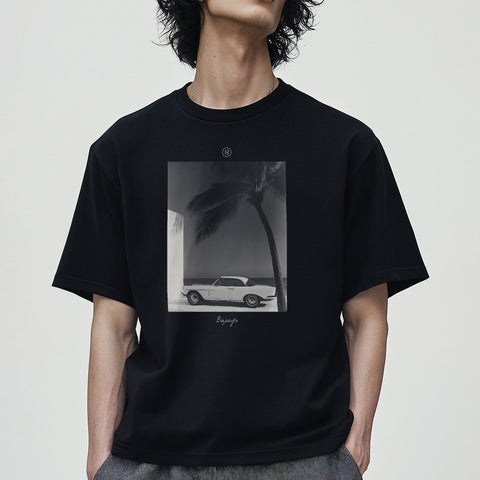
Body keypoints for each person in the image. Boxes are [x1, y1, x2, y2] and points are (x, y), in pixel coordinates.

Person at [51, 1, 430, 479]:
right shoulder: (124, 150)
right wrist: (100, 461)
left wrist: (352, 451)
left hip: (306, 461)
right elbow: (113, 324)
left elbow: (366, 317)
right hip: (154, 460)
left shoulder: (347, 147)